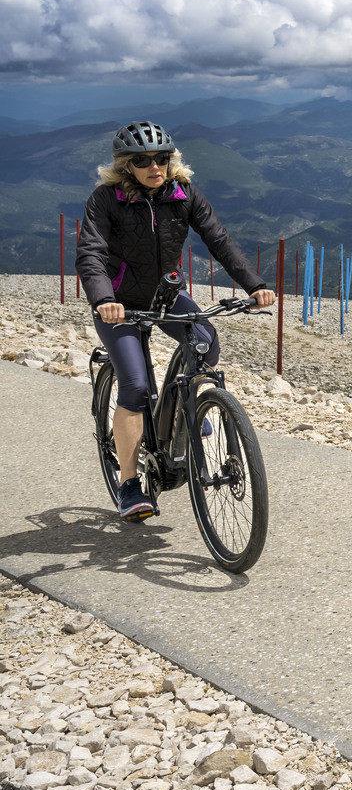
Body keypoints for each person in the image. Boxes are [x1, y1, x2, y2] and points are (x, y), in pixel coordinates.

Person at [76, 121, 276, 521]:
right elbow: (91, 254)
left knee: (206, 343)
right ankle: (130, 484)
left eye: (162, 158)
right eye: (142, 160)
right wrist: (103, 300)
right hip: (119, 304)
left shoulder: (185, 195)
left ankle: (187, 411)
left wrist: (255, 285)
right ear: (126, 165)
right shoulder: (105, 200)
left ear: (172, 159)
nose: (155, 166)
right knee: (134, 384)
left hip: (165, 296)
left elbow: (219, 241)